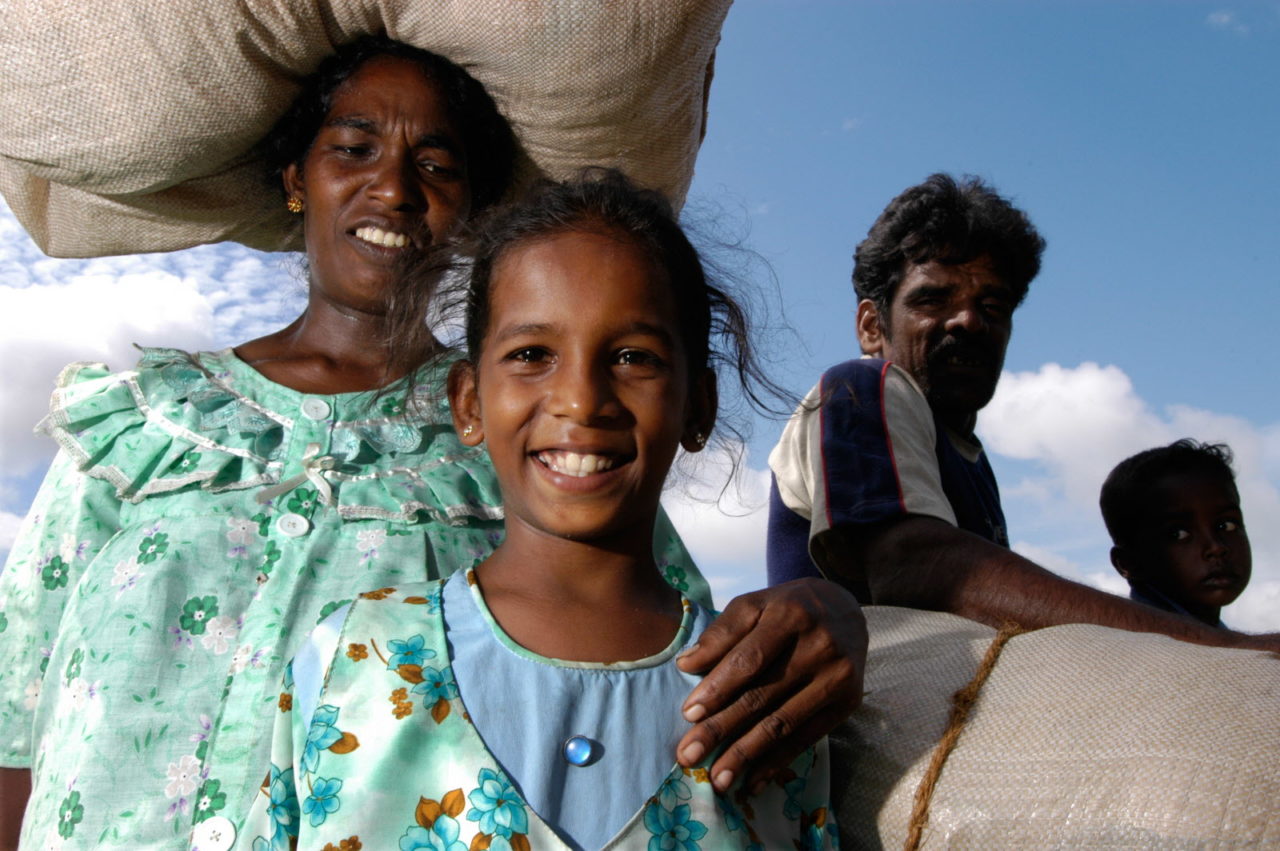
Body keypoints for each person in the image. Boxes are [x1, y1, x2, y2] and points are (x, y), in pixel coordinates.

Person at [0, 38, 864, 850]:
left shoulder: (536, 450)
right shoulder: (140, 427)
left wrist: (835, 613)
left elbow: (680, 660)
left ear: (475, 211)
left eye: (438, 165)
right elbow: (13, 717)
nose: (393, 189)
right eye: (354, 149)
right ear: (296, 177)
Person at [241, 171, 838, 851]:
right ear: (468, 402)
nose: (581, 399)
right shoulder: (353, 655)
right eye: (531, 355)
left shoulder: (762, 694)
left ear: (697, 406)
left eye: (633, 358)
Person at [767, 172, 1279, 651]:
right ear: (872, 327)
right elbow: (914, 565)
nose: (968, 320)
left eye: (992, 306)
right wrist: (1223, 650)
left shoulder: (968, 456)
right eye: (934, 299)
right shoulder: (863, 387)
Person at [1101, 439, 1251, 628]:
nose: (1216, 547)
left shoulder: (1221, 637)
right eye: (1179, 534)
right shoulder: (1132, 643)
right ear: (1127, 563)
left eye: (1226, 525)